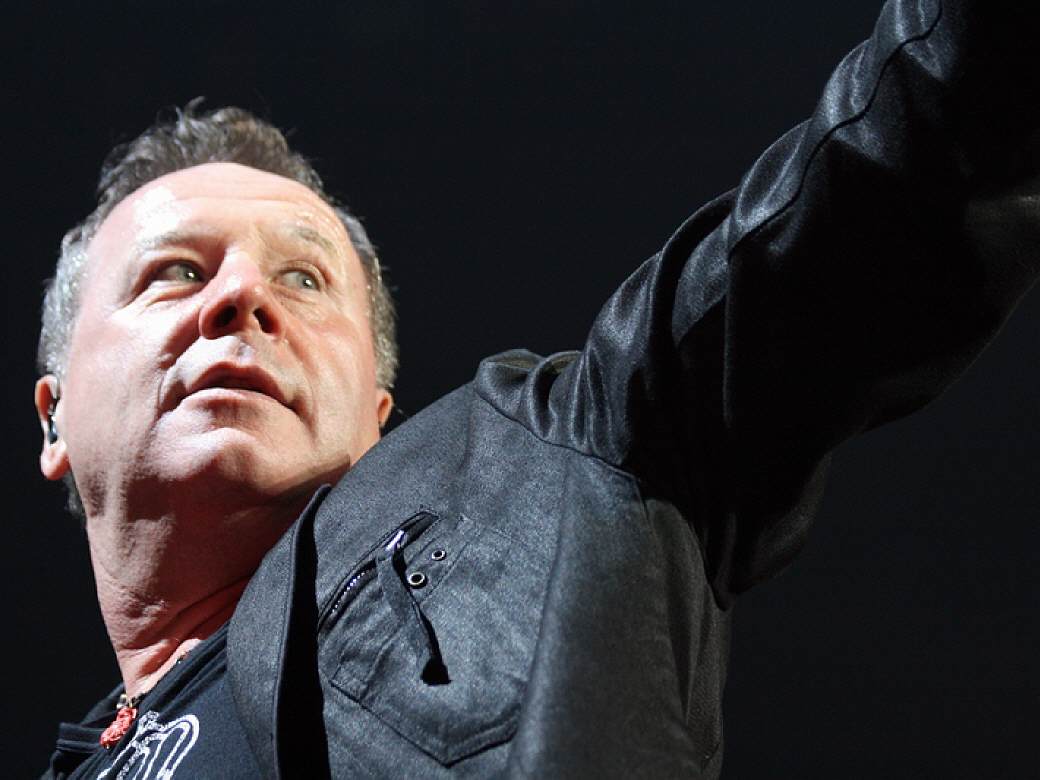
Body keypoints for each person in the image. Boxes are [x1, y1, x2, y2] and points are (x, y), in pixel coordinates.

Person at [35, 1, 1040, 777]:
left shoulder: (557, 464)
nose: (242, 296)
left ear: (379, 417)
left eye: (303, 278)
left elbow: (864, 199)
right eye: (176, 271)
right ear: (53, 416)